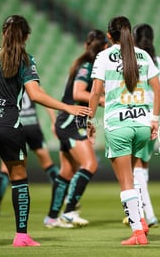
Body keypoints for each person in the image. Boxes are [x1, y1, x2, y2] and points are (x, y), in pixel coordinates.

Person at [0, 15, 91, 249]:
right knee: (19, 179)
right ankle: (21, 236)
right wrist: (67, 107)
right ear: (26, 37)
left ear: (3, 33)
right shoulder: (24, 60)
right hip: (5, 124)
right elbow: (35, 94)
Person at [88, 16, 160, 245]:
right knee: (134, 176)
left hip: (118, 125)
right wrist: (155, 121)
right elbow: (158, 91)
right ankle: (141, 221)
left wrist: (89, 121)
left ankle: (138, 233)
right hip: (142, 125)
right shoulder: (143, 55)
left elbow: (94, 92)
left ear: (109, 36)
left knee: (125, 183)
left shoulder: (103, 57)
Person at [43, 29, 108, 228]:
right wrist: (104, 100)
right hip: (70, 121)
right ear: (104, 47)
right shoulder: (87, 66)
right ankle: (69, 211)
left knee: (67, 172)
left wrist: (89, 120)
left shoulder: (85, 65)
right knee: (90, 165)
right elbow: (78, 92)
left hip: (71, 121)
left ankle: (52, 217)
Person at [125, 23, 160, 228]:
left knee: (135, 167)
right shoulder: (158, 63)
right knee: (141, 166)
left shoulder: (129, 59)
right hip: (151, 117)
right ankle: (142, 212)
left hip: (129, 114)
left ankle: (146, 215)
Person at [0, 91, 59, 217]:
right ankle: (63, 196)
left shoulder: (8, 83)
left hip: (16, 125)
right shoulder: (32, 83)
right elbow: (45, 98)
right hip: (33, 126)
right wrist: (53, 120)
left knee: (6, 168)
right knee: (47, 163)